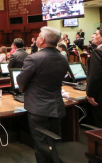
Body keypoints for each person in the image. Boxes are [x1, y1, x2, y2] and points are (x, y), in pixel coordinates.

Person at [17, 26, 69, 163]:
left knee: (41, 144)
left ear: (42, 40)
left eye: (39, 36)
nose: (38, 38)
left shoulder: (34, 58)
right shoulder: (63, 58)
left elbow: (21, 81)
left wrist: (22, 91)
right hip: (57, 106)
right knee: (53, 142)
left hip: (38, 108)